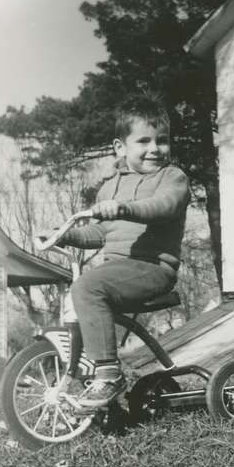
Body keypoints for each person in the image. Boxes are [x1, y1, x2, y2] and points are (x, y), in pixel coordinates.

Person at [57, 99, 190, 408]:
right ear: (120, 147)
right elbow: (100, 235)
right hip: (119, 272)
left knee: (87, 286)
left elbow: (164, 207)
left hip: (153, 269)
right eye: (144, 141)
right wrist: (66, 236)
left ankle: (108, 374)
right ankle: (91, 378)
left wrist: (125, 208)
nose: (155, 148)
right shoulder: (108, 189)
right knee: (84, 289)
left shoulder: (172, 178)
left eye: (162, 140)